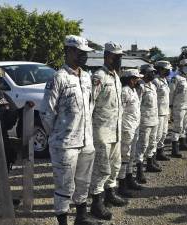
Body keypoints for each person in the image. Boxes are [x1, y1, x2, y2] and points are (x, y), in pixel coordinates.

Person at [40, 35, 97, 225]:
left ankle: (81, 218)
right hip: (65, 144)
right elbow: (47, 112)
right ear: (69, 51)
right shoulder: (58, 78)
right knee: (64, 187)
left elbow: (90, 106)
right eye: (80, 53)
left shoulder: (87, 77)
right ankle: (63, 222)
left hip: (86, 141)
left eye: (85, 54)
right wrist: (58, 135)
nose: (84, 57)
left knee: (83, 183)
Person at [89, 42, 128, 221]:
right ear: (107, 56)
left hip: (115, 129)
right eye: (116, 57)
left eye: (120, 57)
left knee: (115, 164)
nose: (119, 60)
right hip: (101, 130)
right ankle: (96, 203)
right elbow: (90, 105)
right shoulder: (99, 76)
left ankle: (110, 193)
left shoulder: (115, 77)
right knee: (101, 168)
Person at [118, 69, 144, 198]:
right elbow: (120, 112)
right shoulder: (124, 91)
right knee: (124, 156)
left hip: (135, 127)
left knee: (132, 155)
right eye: (136, 78)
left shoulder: (134, 90)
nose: (138, 81)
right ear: (131, 79)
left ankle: (129, 178)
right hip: (126, 128)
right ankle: (121, 184)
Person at [135, 64, 161, 184]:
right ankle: (139, 171)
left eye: (153, 72)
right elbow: (136, 105)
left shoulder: (153, 85)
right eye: (150, 72)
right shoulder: (140, 86)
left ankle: (150, 163)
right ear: (144, 73)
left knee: (152, 143)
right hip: (144, 121)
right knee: (142, 146)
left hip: (154, 119)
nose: (153, 74)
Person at [169, 59, 187, 157]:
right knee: (177, 127)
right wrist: (170, 106)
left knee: (184, 126)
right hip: (178, 106)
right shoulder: (176, 78)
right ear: (181, 66)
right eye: (186, 65)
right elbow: (171, 93)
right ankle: (174, 149)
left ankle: (183, 144)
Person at [153, 60, 172, 161]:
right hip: (158, 113)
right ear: (160, 69)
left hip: (165, 111)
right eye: (166, 70)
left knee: (164, 134)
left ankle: (160, 152)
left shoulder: (164, 80)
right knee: (157, 135)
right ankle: (152, 156)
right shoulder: (155, 81)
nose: (168, 72)